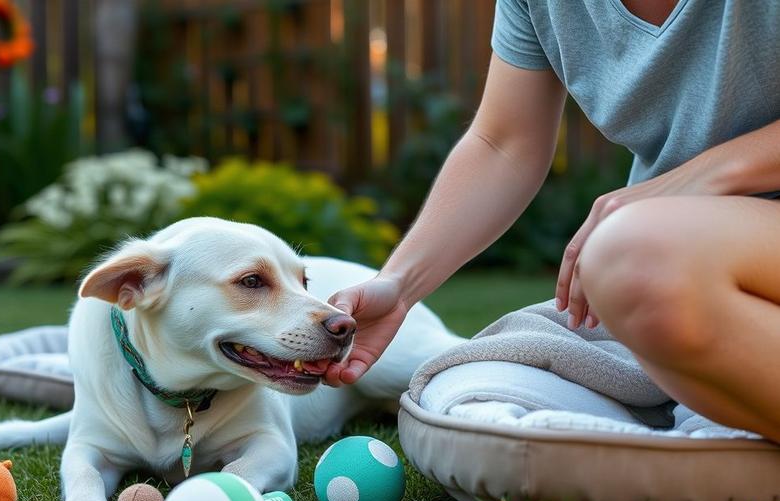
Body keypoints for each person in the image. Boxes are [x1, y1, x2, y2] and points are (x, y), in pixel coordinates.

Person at [323, 0, 780, 442]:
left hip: (673, 253)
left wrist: (695, 181)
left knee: (636, 259)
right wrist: (399, 285)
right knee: (473, 385)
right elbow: (504, 143)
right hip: (674, 264)